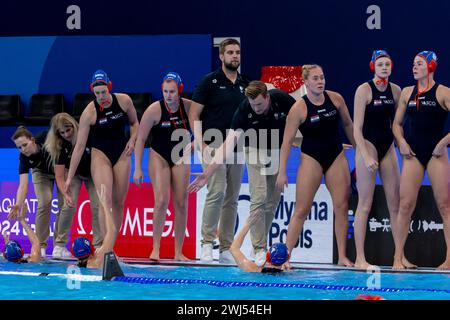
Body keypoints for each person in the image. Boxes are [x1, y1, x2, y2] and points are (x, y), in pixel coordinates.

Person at [188, 80, 296, 266]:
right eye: (253, 104)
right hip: (253, 147)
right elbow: (227, 147)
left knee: (272, 201)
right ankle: (260, 247)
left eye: (260, 104)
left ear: (268, 97)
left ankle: (260, 243)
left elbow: (302, 117)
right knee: (259, 196)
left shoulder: (282, 99)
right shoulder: (244, 110)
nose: (256, 108)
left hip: (277, 148)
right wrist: (207, 173)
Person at [276, 64, 355, 268]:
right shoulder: (298, 109)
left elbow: (348, 125)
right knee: (301, 209)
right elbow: (286, 142)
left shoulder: (336, 99)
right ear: (306, 82)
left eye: (322, 77)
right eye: (315, 78)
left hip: (335, 155)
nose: (320, 81)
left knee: (342, 206)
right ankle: (286, 257)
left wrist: (360, 149)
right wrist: (282, 171)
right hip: (311, 157)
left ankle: (342, 257)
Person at [64, 69, 139, 268]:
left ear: (110, 88)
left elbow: (135, 123)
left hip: (122, 153)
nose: (101, 97)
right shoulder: (89, 112)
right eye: (97, 94)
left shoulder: (124, 101)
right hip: (100, 155)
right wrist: (69, 178)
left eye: (104, 92)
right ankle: (105, 249)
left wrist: (132, 139)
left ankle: (110, 248)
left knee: (119, 202)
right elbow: (79, 147)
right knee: (104, 201)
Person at [188, 38, 250, 263]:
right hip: (213, 144)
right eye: (230, 52)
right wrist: (200, 142)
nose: (235, 56)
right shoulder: (209, 82)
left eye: (238, 52)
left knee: (232, 197)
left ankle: (225, 247)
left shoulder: (246, 83)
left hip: (237, 146)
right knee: (217, 191)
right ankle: (206, 243)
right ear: (221, 56)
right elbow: (194, 114)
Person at [352, 50, 410, 269]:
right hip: (367, 145)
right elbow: (356, 129)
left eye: (387, 64)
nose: (384, 67)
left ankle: (400, 256)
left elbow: (397, 124)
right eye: (380, 64)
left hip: (387, 147)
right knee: (364, 204)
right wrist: (365, 156)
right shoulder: (363, 90)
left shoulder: (396, 91)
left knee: (395, 204)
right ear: (373, 66)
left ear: (392, 67)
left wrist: (401, 143)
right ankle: (359, 257)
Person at [392, 51, 450, 270]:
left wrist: (443, 143)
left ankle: (449, 259)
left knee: (445, 206)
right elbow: (397, 124)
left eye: (419, 64)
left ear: (431, 66)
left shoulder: (443, 92)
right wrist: (401, 141)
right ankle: (398, 258)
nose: (414, 67)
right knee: (405, 205)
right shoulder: (408, 92)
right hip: (413, 154)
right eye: (413, 63)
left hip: (437, 154)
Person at [133, 72, 192, 261]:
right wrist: (137, 168)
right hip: (159, 156)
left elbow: (202, 130)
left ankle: (178, 252)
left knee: (181, 203)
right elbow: (141, 139)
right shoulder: (154, 110)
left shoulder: (189, 107)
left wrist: (196, 142)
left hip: (180, 156)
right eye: (165, 91)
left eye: (172, 91)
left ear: (180, 90)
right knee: (160, 201)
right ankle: (155, 249)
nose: (168, 95)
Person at [44, 113, 102, 259]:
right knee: (68, 205)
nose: (66, 135)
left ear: (74, 125)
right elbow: (59, 175)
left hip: (93, 173)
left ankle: (100, 246)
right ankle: (59, 246)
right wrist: (66, 194)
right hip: (73, 175)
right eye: (62, 132)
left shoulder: (88, 136)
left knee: (97, 207)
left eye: (68, 130)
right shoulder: (60, 145)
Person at [9, 126, 62, 257]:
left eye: (25, 145)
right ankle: (41, 246)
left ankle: (60, 246)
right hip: (40, 173)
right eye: (19, 147)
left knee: (65, 204)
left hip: (60, 169)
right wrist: (18, 203)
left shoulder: (46, 138)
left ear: (33, 140)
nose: (23, 149)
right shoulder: (24, 158)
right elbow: (23, 185)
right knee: (44, 202)